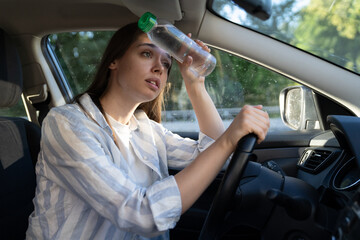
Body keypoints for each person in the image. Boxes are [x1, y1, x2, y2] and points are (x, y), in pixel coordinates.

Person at [26, 22, 270, 239]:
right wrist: (228, 139)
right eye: (146, 54)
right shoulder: (67, 124)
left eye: (166, 63)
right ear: (114, 60)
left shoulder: (146, 129)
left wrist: (195, 84)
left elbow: (215, 157)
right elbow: (141, 214)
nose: (159, 68)